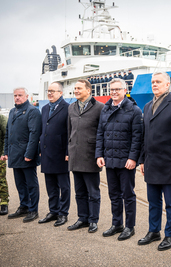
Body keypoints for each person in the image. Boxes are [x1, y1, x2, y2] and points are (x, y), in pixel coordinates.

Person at [138, 72, 171, 251]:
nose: (155, 84)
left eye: (158, 82)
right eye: (153, 82)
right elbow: (144, 136)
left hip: (169, 164)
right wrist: (142, 160)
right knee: (153, 202)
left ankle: (170, 235)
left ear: (167, 85)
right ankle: (154, 231)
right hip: (151, 163)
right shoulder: (146, 106)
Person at [96, 78, 142, 241]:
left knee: (127, 194)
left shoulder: (134, 110)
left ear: (125, 90)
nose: (114, 92)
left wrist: (133, 158)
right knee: (113, 194)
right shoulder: (106, 109)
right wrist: (99, 155)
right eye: (112, 89)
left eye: (117, 89)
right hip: (109, 159)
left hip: (125, 161)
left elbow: (137, 137)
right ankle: (117, 224)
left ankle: (130, 226)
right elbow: (100, 133)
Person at [67, 79, 104, 232]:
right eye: (75, 88)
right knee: (79, 191)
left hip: (90, 156)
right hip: (75, 155)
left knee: (93, 192)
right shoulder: (71, 107)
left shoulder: (100, 107)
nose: (76, 90)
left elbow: (102, 132)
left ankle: (93, 220)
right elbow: (69, 131)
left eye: (79, 88)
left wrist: (100, 154)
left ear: (88, 90)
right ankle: (82, 218)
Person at [2, 88, 42, 222]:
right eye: (15, 95)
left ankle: (33, 210)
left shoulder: (32, 111)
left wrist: (29, 153)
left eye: (20, 95)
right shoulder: (13, 111)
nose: (17, 98)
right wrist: (6, 152)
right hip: (14, 154)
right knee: (19, 183)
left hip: (26, 154)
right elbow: (8, 133)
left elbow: (34, 134)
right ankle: (24, 206)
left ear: (27, 96)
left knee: (31, 183)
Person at [39, 82, 71, 227]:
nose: (50, 93)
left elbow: (70, 132)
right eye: (49, 91)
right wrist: (40, 149)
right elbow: (42, 130)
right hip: (47, 153)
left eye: (53, 91)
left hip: (61, 153)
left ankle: (63, 213)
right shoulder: (45, 108)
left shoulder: (67, 108)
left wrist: (68, 152)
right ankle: (53, 211)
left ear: (60, 93)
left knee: (63, 187)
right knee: (50, 186)